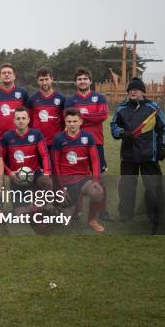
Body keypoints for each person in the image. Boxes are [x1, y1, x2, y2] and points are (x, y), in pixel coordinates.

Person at [110, 77, 165, 231]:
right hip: (129, 156)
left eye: (136, 89)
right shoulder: (121, 108)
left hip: (149, 155)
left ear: (143, 92)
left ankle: (156, 216)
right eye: (130, 89)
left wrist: (162, 146)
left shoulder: (153, 108)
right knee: (127, 186)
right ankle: (125, 214)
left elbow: (163, 128)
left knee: (153, 186)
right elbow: (114, 126)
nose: (133, 91)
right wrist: (122, 133)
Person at [64, 67, 112, 222]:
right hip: (75, 144)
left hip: (96, 142)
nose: (82, 81)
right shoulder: (70, 100)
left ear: (90, 81)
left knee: (98, 177)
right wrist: (91, 116)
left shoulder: (99, 98)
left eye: (85, 78)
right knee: (76, 178)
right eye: (79, 79)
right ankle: (78, 210)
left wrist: (80, 116)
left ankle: (102, 211)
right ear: (75, 82)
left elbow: (103, 116)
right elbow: (68, 120)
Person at [51, 108, 105, 232]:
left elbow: (95, 160)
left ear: (80, 121)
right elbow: (55, 164)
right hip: (66, 181)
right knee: (64, 223)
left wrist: (95, 180)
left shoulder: (88, 137)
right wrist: (59, 188)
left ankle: (92, 220)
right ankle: (62, 207)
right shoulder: (58, 139)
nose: (72, 124)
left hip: (83, 178)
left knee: (97, 191)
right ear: (65, 122)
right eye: (69, 121)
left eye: (75, 121)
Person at [1, 107, 52, 216]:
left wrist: (46, 172)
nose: (21, 120)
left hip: (35, 174)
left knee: (47, 181)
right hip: (17, 177)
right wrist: (10, 173)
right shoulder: (7, 137)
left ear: (28, 120)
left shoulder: (36, 134)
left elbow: (45, 154)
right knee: (21, 214)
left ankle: (46, 204)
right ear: (13, 120)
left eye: (23, 118)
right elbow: (0, 160)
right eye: (18, 118)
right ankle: (29, 206)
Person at [0, 63, 30, 139]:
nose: (6, 75)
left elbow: (28, 115)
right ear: (0, 76)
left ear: (14, 76)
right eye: (4, 73)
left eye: (9, 73)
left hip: (19, 138)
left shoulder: (23, 93)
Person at [27, 67, 65, 148]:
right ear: (37, 81)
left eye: (46, 79)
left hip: (55, 142)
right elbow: (29, 122)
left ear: (52, 79)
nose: (44, 82)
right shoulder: (32, 99)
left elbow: (63, 121)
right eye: (41, 80)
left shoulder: (61, 98)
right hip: (37, 141)